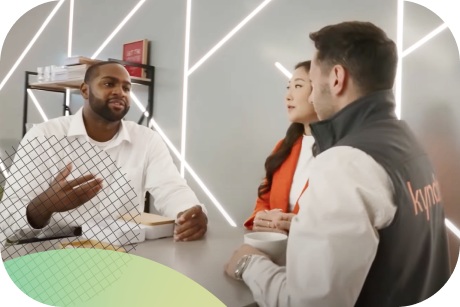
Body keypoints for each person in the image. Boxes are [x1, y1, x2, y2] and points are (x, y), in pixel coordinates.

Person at [225, 21, 450, 307]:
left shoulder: (346, 163)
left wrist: (249, 264)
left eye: (311, 79)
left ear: (336, 78)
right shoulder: (409, 144)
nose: (309, 91)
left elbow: (307, 303)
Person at [0, 61, 207, 242]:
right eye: (109, 84)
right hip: (53, 254)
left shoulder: (147, 140)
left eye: (126, 88)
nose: (120, 92)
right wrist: (44, 206)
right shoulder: (43, 136)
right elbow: (7, 219)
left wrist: (189, 213)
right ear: (85, 90)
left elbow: (171, 189)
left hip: (124, 254)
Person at [244, 61, 318, 234]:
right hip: (274, 245)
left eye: (298, 86)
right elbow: (264, 200)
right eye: (288, 87)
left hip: (312, 252)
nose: (288, 96)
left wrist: (300, 225)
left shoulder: (341, 152)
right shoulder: (284, 146)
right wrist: (260, 218)